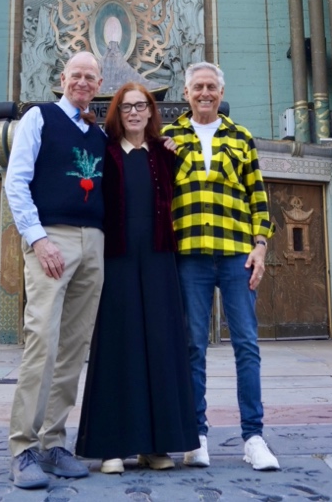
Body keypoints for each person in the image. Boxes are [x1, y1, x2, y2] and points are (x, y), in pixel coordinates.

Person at [76, 82, 198, 473]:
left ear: (150, 111)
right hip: (119, 258)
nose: (133, 113)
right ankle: (112, 448)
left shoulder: (165, 153)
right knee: (119, 345)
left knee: (160, 346)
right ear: (117, 113)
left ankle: (155, 447)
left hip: (159, 257)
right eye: (126, 107)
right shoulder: (106, 152)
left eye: (140, 106)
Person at [163, 61, 280, 472]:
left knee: (246, 345)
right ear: (186, 92)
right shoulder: (169, 138)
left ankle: (254, 437)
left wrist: (260, 246)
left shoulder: (241, 137)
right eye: (197, 87)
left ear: (221, 92)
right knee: (192, 346)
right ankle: (196, 436)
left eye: (211, 86)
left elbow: (258, 197)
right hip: (190, 254)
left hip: (235, 254)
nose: (205, 93)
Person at [4, 51, 107, 490]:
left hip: (93, 242)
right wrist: (37, 238)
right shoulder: (39, 118)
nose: (82, 82)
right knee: (42, 341)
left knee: (73, 347)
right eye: (76, 75)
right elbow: (16, 180)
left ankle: (53, 441)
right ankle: (23, 448)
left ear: (99, 85)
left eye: (90, 77)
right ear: (62, 79)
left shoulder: (98, 133)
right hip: (52, 239)